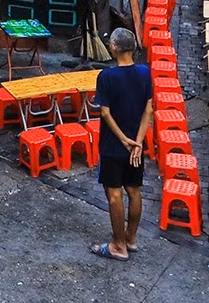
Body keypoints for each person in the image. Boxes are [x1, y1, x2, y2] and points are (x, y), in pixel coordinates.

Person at [90, 27, 153, 261]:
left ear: (114, 48)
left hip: (113, 145)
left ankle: (118, 245)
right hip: (136, 145)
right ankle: (131, 238)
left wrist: (123, 139)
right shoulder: (145, 73)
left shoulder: (106, 77)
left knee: (114, 194)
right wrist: (138, 142)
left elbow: (105, 114)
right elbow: (149, 109)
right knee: (134, 190)